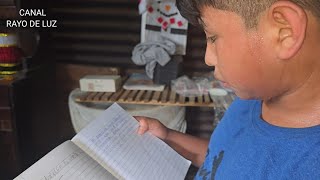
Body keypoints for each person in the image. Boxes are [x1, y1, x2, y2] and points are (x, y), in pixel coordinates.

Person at [135, 0, 320, 179]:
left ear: (284, 32)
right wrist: (168, 137)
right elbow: (221, 158)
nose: (208, 58)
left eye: (213, 37)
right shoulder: (252, 99)